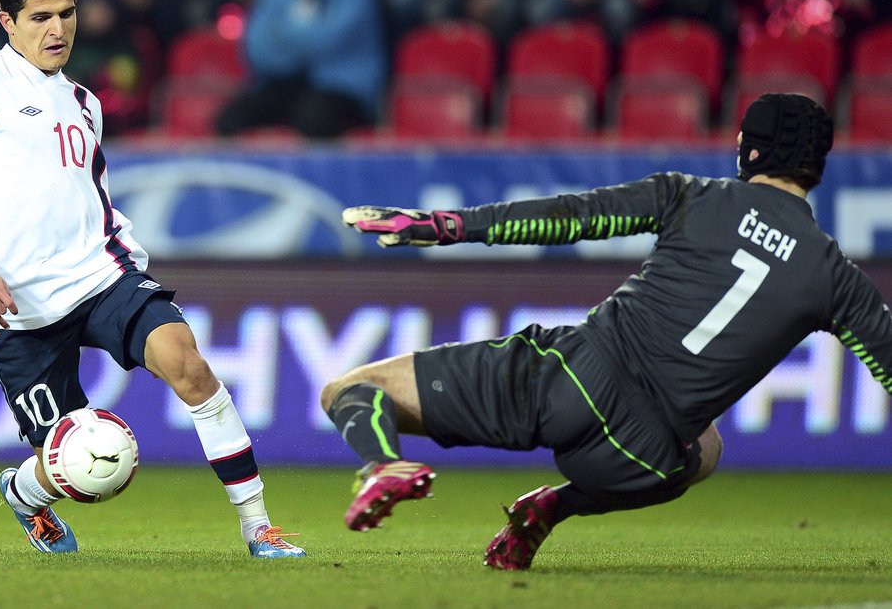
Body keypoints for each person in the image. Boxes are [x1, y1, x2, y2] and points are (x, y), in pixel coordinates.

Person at [321, 92, 892, 570]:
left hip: (569, 381)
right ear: (816, 166)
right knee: (707, 447)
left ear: (750, 148)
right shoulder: (835, 278)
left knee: (350, 391)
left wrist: (446, 226)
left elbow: (569, 215)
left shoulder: (692, 196)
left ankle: (383, 466)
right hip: (638, 458)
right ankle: (554, 507)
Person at [0, 0, 306, 559]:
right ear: (6, 22)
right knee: (80, 463)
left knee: (189, 365)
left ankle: (259, 528)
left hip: (101, 275)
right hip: (21, 306)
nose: (57, 29)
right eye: (40, 17)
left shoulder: (85, 102)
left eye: (66, 14)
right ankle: (23, 492)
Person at [216, 0, 387, 139]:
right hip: (283, 84)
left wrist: (282, 36)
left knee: (314, 118)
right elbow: (256, 48)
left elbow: (328, 42)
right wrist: (307, 39)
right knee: (230, 119)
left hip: (340, 89)